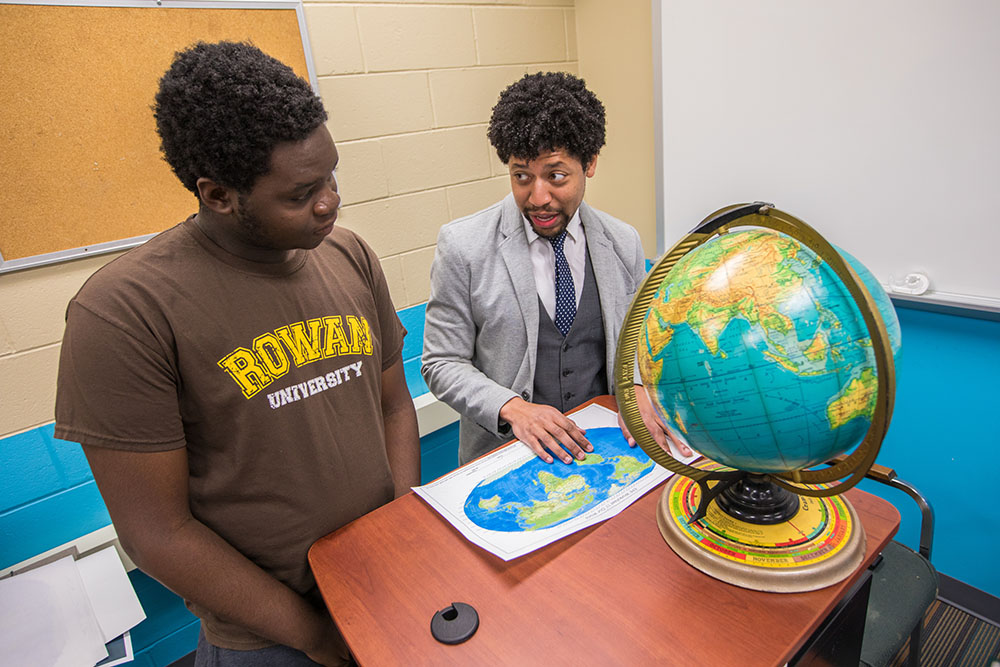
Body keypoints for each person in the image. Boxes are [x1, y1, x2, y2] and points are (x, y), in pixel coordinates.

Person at [54, 41, 419, 667]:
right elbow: (159, 535)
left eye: (331, 175)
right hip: (272, 640)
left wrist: (399, 539)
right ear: (219, 194)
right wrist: (314, 634)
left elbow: (392, 407)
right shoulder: (125, 313)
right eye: (301, 193)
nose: (329, 200)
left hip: (381, 590)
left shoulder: (350, 256)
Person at [421, 71, 690, 466]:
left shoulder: (623, 242)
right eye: (521, 177)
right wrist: (513, 409)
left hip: (607, 449)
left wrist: (635, 389)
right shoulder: (463, 246)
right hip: (508, 460)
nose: (537, 197)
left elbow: (635, 342)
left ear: (590, 163)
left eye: (556, 176)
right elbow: (441, 362)